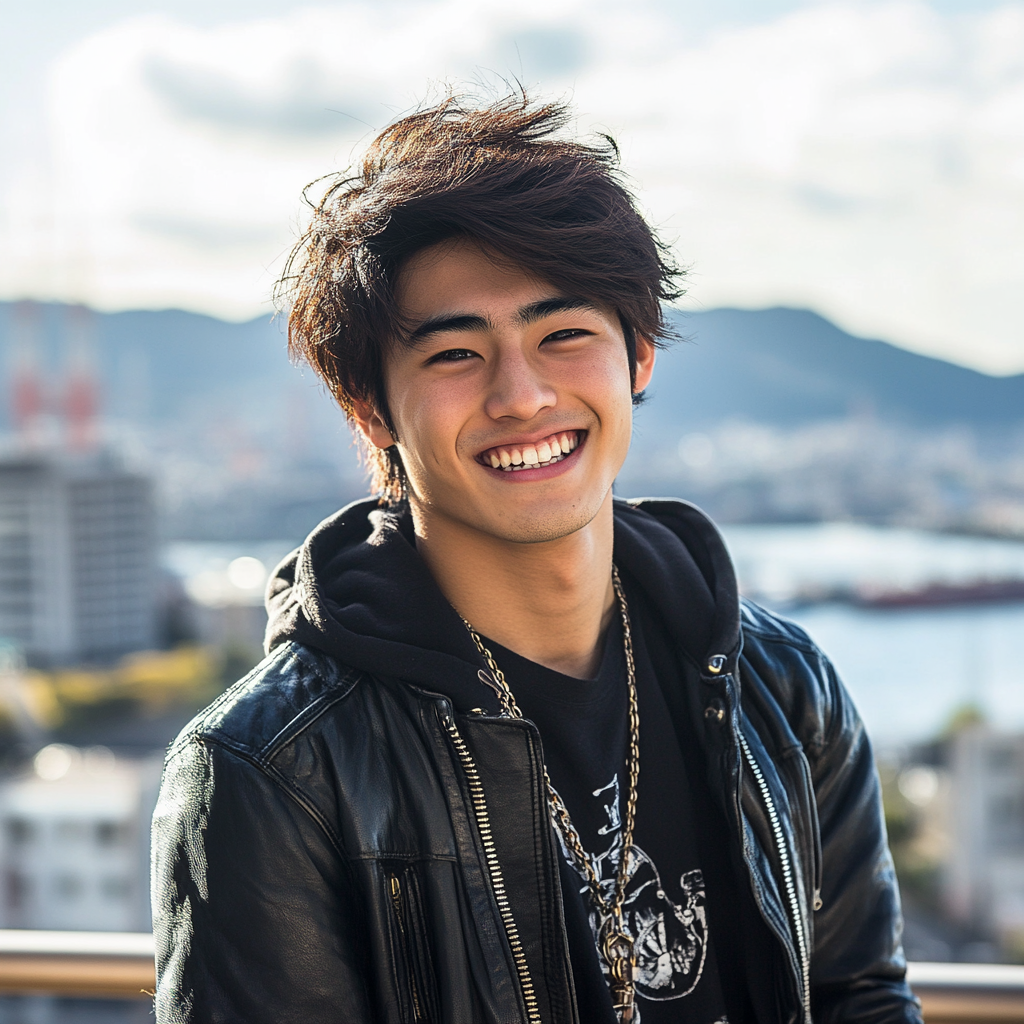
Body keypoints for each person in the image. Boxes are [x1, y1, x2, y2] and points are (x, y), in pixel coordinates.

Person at [151, 92, 922, 1024]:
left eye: (564, 336)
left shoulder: (781, 689)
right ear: (370, 409)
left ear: (638, 356)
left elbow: (858, 997)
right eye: (454, 355)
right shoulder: (273, 772)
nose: (521, 397)